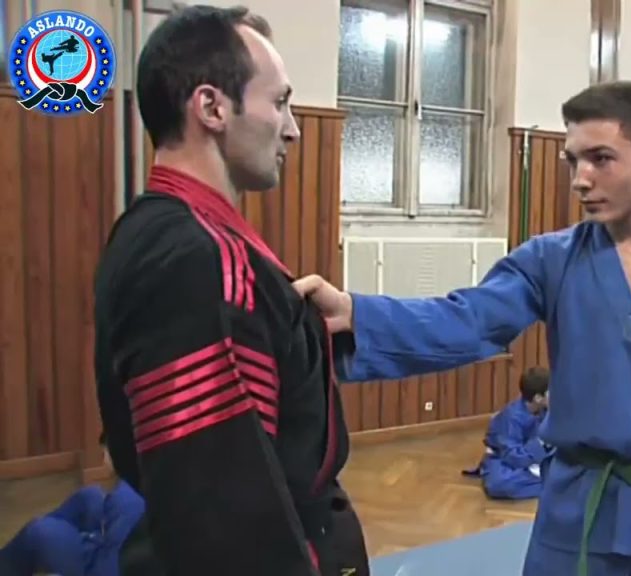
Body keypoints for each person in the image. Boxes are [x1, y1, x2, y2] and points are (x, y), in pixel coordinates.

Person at [295, 81, 631, 576]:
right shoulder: (550, 260)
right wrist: (357, 314)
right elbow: (468, 320)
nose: (580, 179)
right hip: (575, 511)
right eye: (573, 161)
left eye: (601, 159)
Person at [92, 6, 367, 575]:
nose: (292, 128)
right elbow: (222, 512)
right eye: (280, 102)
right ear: (212, 108)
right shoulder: (197, 259)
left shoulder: (155, 231)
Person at [0, 433, 145, 576]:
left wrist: (89, 541)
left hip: (106, 565)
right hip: (114, 541)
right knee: (89, 497)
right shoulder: (132, 488)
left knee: (37, 532)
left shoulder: (129, 502)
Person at [463, 367, 553, 500]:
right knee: (499, 484)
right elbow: (513, 457)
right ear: (538, 398)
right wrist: (540, 444)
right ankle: (556, 486)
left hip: (537, 459)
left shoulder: (546, 408)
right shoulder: (511, 418)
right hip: (507, 460)